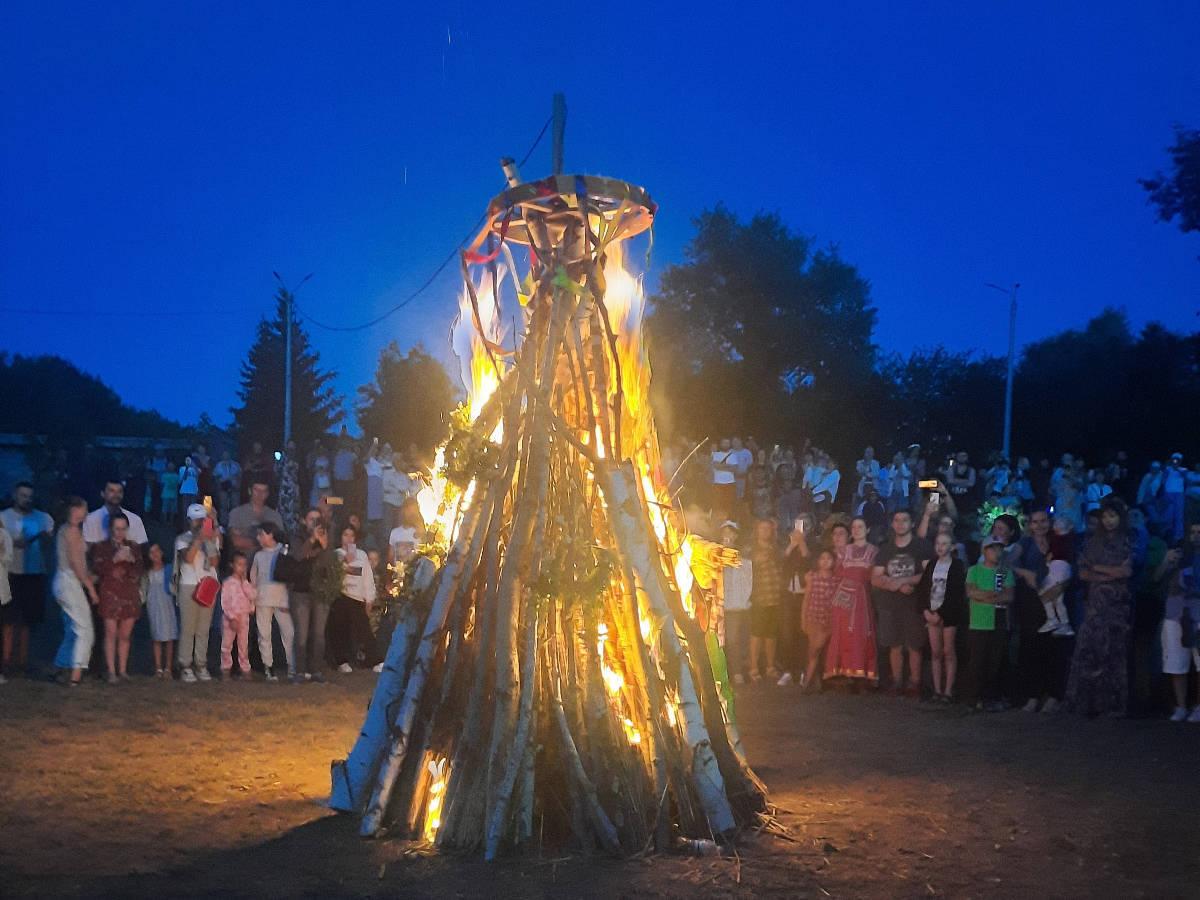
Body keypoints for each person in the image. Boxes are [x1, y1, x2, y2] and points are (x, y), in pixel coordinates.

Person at [1066, 497, 1134, 717]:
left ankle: (1112, 705)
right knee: (1090, 650)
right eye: (1105, 517)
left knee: (1114, 652)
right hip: (1095, 606)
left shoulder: (1128, 541)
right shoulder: (1092, 543)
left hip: (1118, 607)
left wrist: (1098, 570)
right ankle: (1086, 703)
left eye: (1112, 516)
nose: (1108, 521)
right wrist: (1108, 573)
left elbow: (1126, 572)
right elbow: (1083, 573)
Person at [871, 510, 932, 696]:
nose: (900, 524)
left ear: (912, 523)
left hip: (913, 604)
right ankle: (897, 682)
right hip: (890, 604)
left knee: (914, 645)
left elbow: (929, 573)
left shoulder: (921, 547)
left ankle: (915, 682)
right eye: (897, 520)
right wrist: (896, 585)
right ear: (892, 524)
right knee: (894, 644)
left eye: (905, 520)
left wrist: (906, 581)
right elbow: (875, 577)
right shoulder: (885, 549)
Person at [1, 482, 55, 677]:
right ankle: (6, 661)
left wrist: (43, 537)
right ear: (16, 495)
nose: (27, 499)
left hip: (33, 574)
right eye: (23, 495)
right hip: (11, 573)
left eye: (29, 496)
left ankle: (22, 662)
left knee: (27, 620)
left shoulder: (43, 518)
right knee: (8, 619)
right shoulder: (4, 517)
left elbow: (49, 545)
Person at [89, 511, 145, 683]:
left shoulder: (134, 547)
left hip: (129, 593)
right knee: (110, 633)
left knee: (125, 635)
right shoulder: (102, 547)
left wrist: (131, 561)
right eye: (116, 529)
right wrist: (114, 559)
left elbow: (140, 569)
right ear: (110, 528)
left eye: (123, 529)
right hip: (110, 593)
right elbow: (97, 569)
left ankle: (123, 670)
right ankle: (111, 671)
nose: (119, 533)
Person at [824, 517, 878, 684]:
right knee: (843, 634)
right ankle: (843, 673)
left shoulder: (874, 551)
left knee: (861, 634)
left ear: (867, 529)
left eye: (860, 526)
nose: (856, 530)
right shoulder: (843, 551)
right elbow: (835, 573)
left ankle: (860, 673)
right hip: (843, 598)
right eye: (853, 527)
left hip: (862, 599)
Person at [964, 537, 1016, 711]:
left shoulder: (1005, 572)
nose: (997, 553)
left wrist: (984, 595)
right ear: (984, 551)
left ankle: (990, 697)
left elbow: (1009, 596)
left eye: (999, 549)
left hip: (998, 622)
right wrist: (993, 595)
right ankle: (973, 698)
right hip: (978, 622)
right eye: (992, 549)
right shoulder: (974, 570)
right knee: (976, 662)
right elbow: (971, 592)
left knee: (995, 662)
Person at [51, 498, 98, 686]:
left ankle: (61, 665)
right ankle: (76, 674)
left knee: (72, 628)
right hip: (68, 580)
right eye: (84, 509)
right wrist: (91, 589)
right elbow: (76, 564)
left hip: (63, 581)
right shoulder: (71, 531)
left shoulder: (66, 530)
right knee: (84, 629)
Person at [915, 532, 967, 703]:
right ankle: (937, 690)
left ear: (952, 547)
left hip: (949, 615)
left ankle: (948, 690)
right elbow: (923, 589)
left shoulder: (957, 566)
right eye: (938, 543)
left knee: (948, 652)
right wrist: (926, 611)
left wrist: (941, 614)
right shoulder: (932, 564)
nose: (940, 547)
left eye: (944, 544)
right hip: (932, 613)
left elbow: (956, 593)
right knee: (936, 652)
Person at [174, 503, 221, 683]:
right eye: (195, 520)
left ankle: (201, 663)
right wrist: (199, 540)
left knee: (203, 628)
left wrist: (211, 534)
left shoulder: (212, 538)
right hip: (189, 584)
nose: (198, 523)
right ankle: (185, 665)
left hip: (207, 583)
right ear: (188, 521)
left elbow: (215, 561)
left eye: (201, 519)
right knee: (188, 628)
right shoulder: (182, 539)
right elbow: (188, 558)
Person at [1161, 523, 1200, 721]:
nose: (1195, 537)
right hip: (1175, 612)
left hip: (1197, 613)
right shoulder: (1177, 557)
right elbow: (1156, 578)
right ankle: (1181, 705)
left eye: (1199, 533)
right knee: (1176, 661)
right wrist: (1166, 563)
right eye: (1192, 532)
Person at [290, 509, 333, 682]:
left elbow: (329, 562)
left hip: (320, 591)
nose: (315, 522)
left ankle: (316, 670)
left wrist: (324, 545)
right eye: (311, 519)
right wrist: (312, 540)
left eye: (317, 519)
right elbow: (299, 555)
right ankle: (300, 671)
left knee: (319, 634)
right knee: (301, 634)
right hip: (301, 591)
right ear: (304, 521)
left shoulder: (326, 536)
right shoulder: (297, 537)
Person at [329, 525, 379, 672]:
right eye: (346, 535)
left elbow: (367, 578)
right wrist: (345, 561)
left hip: (358, 598)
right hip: (342, 596)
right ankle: (341, 661)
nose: (349, 538)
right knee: (340, 629)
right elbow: (334, 575)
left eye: (351, 535)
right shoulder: (335, 554)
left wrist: (369, 599)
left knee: (364, 629)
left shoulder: (362, 555)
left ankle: (375, 660)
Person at [251, 522, 296, 683]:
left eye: (261, 534)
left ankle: (292, 665)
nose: (259, 538)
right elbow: (254, 578)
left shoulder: (283, 551)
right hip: (262, 599)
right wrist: (253, 597)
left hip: (281, 599)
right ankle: (268, 666)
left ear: (271, 535)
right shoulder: (258, 555)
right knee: (264, 633)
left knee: (288, 632)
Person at [747, 518, 783, 682]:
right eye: (762, 529)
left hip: (775, 598)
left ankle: (770, 667)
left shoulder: (776, 549)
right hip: (759, 598)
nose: (765, 531)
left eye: (768, 529)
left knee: (771, 634)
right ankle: (753, 668)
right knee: (756, 633)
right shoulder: (750, 549)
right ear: (756, 531)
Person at [801, 548, 838, 692]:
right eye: (822, 558)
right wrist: (803, 618)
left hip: (827, 619)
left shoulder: (836, 579)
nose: (825, 561)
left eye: (829, 559)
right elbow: (807, 598)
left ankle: (810, 680)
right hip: (813, 617)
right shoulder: (813, 577)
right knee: (813, 649)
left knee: (818, 649)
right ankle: (812, 680)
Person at [718, 521, 751, 685]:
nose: (727, 536)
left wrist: (743, 600)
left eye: (731, 533)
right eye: (725, 532)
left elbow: (746, 581)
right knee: (719, 639)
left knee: (733, 639)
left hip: (735, 606)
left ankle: (736, 671)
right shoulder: (714, 554)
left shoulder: (743, 557)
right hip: (718, 605)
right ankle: (722, 674)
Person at [220, 551, 257, 680]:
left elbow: (253, 596)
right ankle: (225, 669)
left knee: (243, 645)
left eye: (244, 565)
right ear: (232, 565)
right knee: (227, 645)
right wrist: (231, 617)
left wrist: (245, 583)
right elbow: (225, 602)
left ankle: (245, 669)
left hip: (244, 618)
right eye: (239, 564)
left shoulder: (246, 583)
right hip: (230, 619)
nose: (242, 567)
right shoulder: (228, 583)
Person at [143, 543, 177, 679]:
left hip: (167, 604)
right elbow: (144, 590)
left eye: (157, 550)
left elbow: (174, 587)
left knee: (169, 636)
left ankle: (168, 667)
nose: (155, 554)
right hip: (154, 605)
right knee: (156, 636)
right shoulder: (148, 573)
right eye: (152, 552)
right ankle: (158, 668)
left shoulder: (169, 569)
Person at [82, 479, 149, 547]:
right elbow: (87, 549)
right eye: (112, 491)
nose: (116, 495)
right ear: (102, 494)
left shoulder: (135, 519)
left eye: (119, 491)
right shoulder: (90, 520)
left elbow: (142, 547)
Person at [227, 481, 285, 554]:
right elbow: (236, 541)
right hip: (244, 562)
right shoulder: (236, 513)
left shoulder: (275, 516)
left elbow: (280, 542)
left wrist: (249, 541)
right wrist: (266, 542)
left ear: (267, 494)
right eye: (256, 490)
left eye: (264, 491)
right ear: (250, 491)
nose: (260, 494)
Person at [1162, 453, 1187, 542]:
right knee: (1168, 515)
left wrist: (1176, 469)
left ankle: (1178, 536)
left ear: (1180, 461)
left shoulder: (1183, 470)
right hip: (1168, 493)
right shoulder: (1167, 469)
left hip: (1179, 494)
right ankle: (1166, 534)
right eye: (1174, 459)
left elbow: (1185, 477)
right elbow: (1163, 480)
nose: (1175, 461)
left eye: (1177, 460)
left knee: (1178, 515)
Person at [710, 439, 738, 516]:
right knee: (717, 506)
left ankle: (728, 523)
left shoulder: (733, 455)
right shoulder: (716, 454)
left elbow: (735, 469)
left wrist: (721, 466)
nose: (726, 444)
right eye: (724, 443)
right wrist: (729, 466)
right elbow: (716, 466)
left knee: (729, 506)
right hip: (718, 484)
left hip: (730, 484)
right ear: (721, 444)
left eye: (727, 443)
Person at [213, 451, 242, 524]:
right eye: (224, 455)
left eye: (227, 455)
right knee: (223, 506)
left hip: (234, 487)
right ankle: (224, 523)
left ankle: (235, 522)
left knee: (235, 506)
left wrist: (238, 484)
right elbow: (215, 477)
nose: (226, 456)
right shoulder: (218, 465)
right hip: (223, 488)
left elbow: (240, 476)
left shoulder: (236, 465)